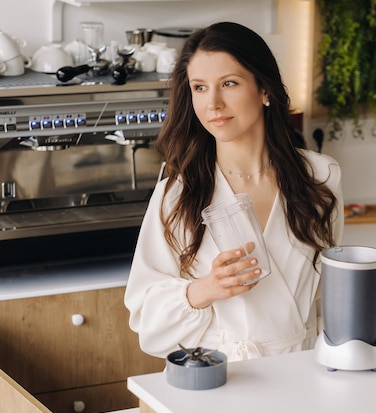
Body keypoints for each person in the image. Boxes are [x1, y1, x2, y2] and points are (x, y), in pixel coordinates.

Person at [124, 22, 344, 361]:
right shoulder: (176, 196)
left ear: (264, 90)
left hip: (304, 372)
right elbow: (146, 322)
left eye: (229, 83)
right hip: (221, 377)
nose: (213, 103)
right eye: (199, 87)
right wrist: (206, 289)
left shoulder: (320, 177)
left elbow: (334, 296)